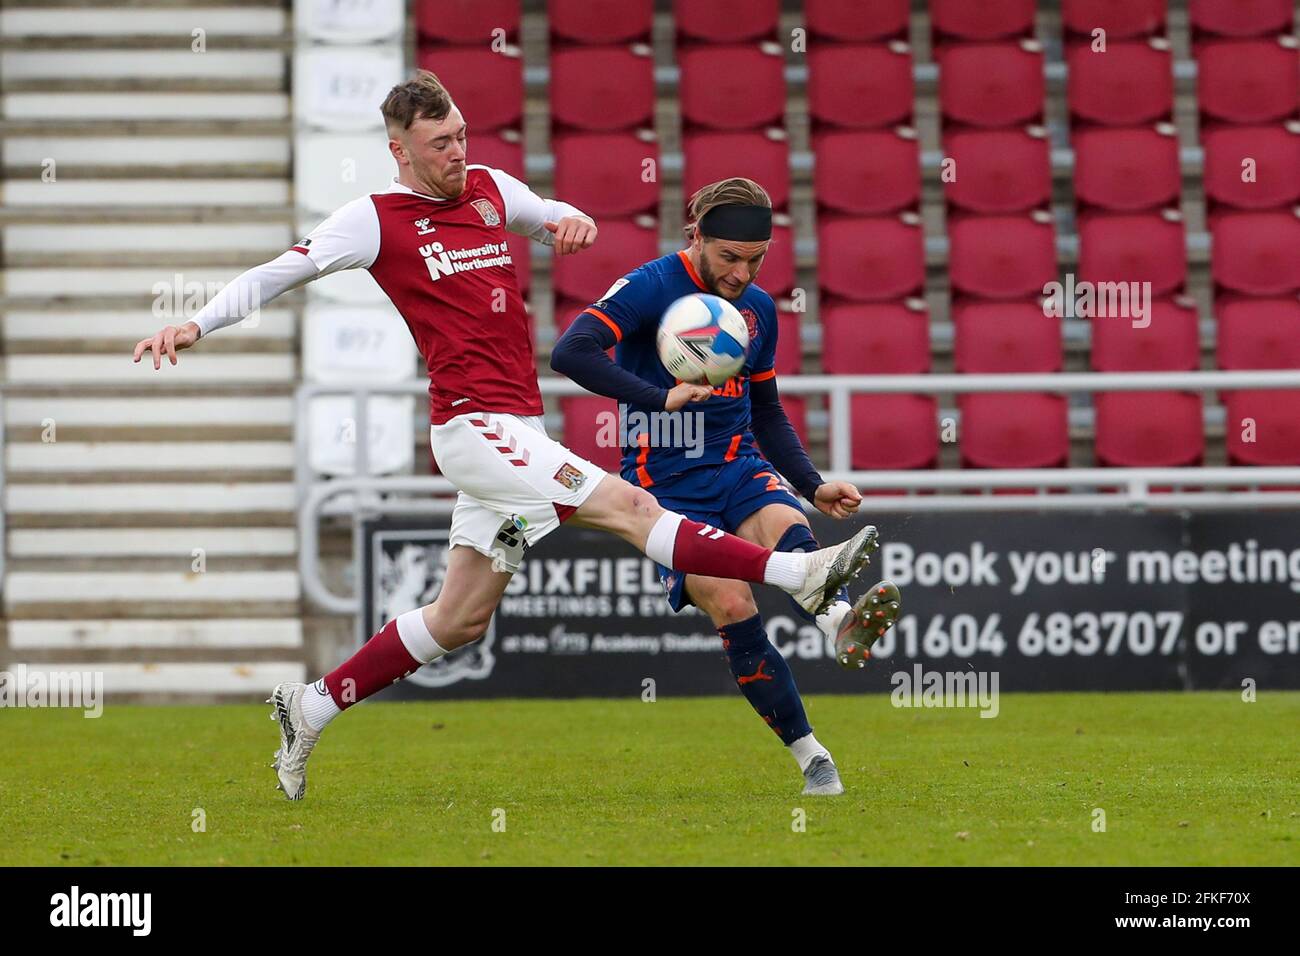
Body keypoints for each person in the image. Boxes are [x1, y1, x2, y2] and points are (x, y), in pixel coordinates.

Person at [131, 72, 881, 801]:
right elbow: (281, 271)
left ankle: (312, 707)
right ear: (401, 151)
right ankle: (801, 577)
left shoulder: (488, 188)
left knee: (459, 618)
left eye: (460, 136)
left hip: (516, 426)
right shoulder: (373, 219)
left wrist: (568, 220)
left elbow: (543, 212)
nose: (457, 153)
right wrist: (198, 322)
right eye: (438, 145)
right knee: (630, 507)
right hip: (470, 425)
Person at [551, 178, 901, 795]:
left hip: (739, 465)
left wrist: (812, 484)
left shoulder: (759, 309)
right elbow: (571, 353)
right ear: (697, 237)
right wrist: (660, 396)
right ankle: (811, 755)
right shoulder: (648, 288)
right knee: (735, 605)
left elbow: (766, 409)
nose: (742, 273)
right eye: (730, 257)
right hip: (665, 487)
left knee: (788, 527)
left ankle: (839, 622)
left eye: (756, 259)